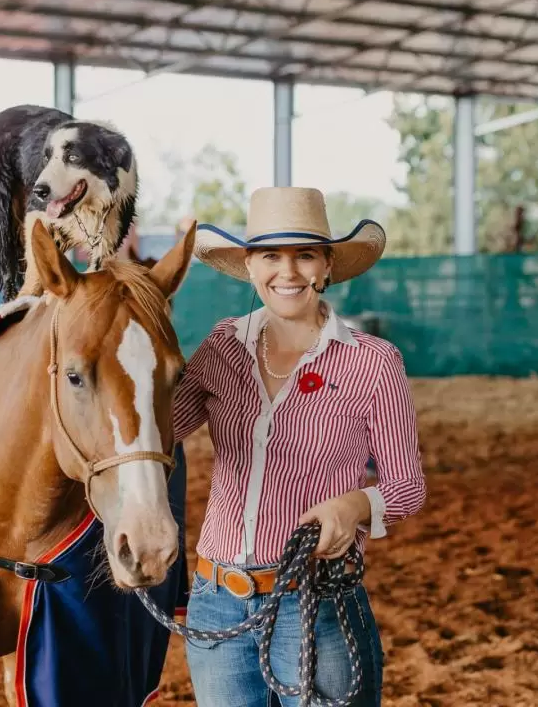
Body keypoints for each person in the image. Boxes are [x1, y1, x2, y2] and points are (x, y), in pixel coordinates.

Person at [173, 186, 427, 707]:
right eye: (271, 255)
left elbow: (407, 487)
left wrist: (354, 504)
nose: (287, 272)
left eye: (304, 255)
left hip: (316, 601)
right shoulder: (222, 345)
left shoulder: (373, 362)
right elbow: (158, 431)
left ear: (327, 265)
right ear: (250, 266)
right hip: (216, 600)